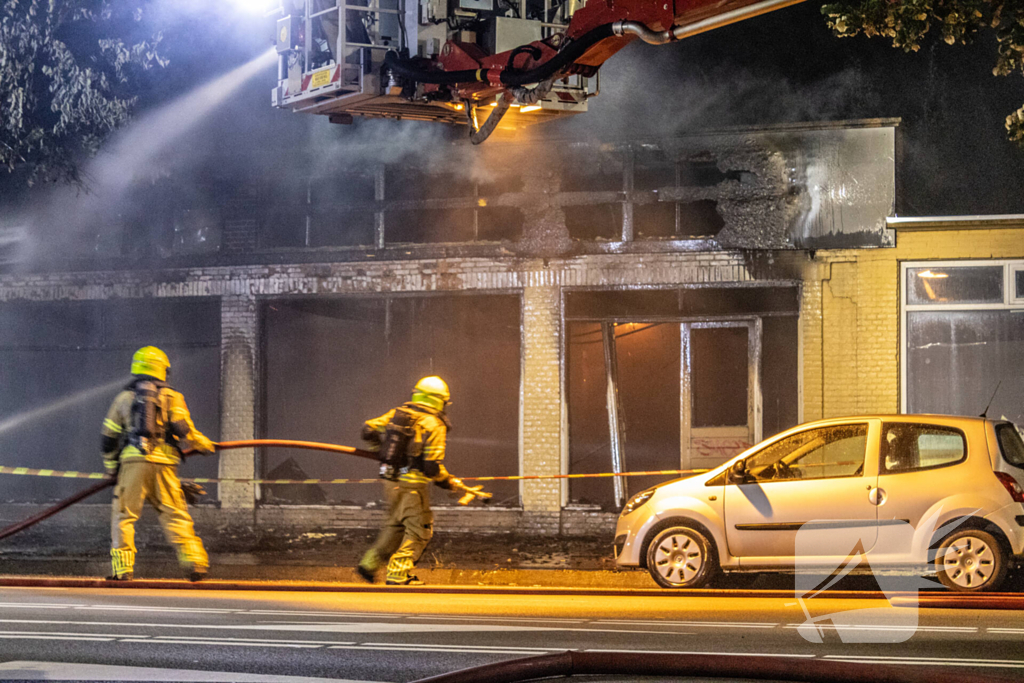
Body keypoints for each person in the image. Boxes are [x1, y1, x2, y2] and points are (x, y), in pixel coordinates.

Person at [357, 376, 490, 586]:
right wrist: (447, 482)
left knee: (395, 527)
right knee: (420, 530)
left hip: (391, 482)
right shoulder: (434, 424)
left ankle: (369, 565)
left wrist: (379, 451)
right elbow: (431, 467)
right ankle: (398, 574)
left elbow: (368, 430)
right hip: (413, 486)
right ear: (440, 401)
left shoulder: (398, 414)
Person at [101, 346, 216, 582]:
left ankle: (122, 570)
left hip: (133, 464)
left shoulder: (123, 398)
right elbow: (184, 429)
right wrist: (204, 445)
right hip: (165, 465)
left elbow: (108, 437)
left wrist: (111, 466)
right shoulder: (173, 397)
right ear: (162, 370)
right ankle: (195, 562)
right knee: (175, 514)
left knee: (124, 516)